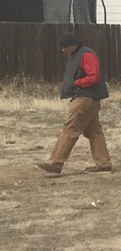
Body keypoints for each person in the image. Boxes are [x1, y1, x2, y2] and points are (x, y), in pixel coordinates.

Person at [36, 33, 113, 176]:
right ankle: (103, 163)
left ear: (72, 45)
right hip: (89, 99)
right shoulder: (79, 55)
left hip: (85, 98)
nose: (63, 50)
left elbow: (94, 76)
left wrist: (76, 84)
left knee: (70, 128)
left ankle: (56, 163)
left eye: (64, 47)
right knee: (93, 131)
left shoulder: (86, 55)